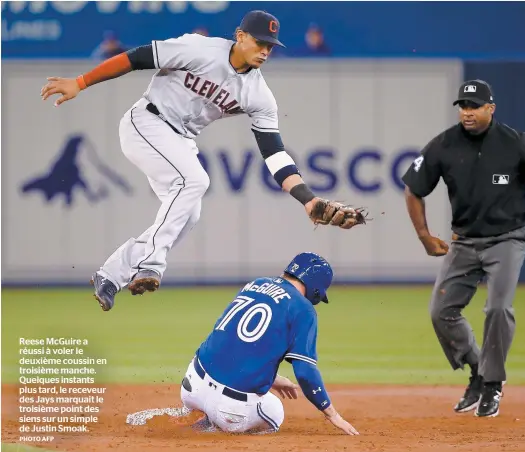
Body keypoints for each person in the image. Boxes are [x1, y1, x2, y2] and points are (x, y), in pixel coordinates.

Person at [40, 10, 365, 311]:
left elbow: (275, 153)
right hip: (146, 121)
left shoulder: (259, 95)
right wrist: (80, 82)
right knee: (195, 181)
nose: (265, 50)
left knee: (188, 213)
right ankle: (152, 263)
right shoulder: (200, 49)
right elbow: (136, 58)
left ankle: (110, 275)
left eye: (270, 45)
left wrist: (307, 200)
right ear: (240, 35)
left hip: (178, 141)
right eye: (259, 41)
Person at [402, 79, 525, 418]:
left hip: (508, 238)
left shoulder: (516, 144)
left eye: (474, 106)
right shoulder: (443, 145)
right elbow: (413, 188)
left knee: (498, 309)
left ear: (491, 108)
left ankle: (492, 384)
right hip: (464, 241)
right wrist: (424, 236)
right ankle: (477, 369)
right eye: (462, 106)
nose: (467, 112)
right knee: (440, 311)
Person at [178, 252, 359, 435]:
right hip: (229, 410)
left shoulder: (256, 284)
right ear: (316, 287)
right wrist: (333, 414)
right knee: (275, 412)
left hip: (192, 386)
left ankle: (201, 415)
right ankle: (213, 427)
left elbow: (233, 342)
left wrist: (274, 379)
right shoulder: (303, 308)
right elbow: (305, 373)